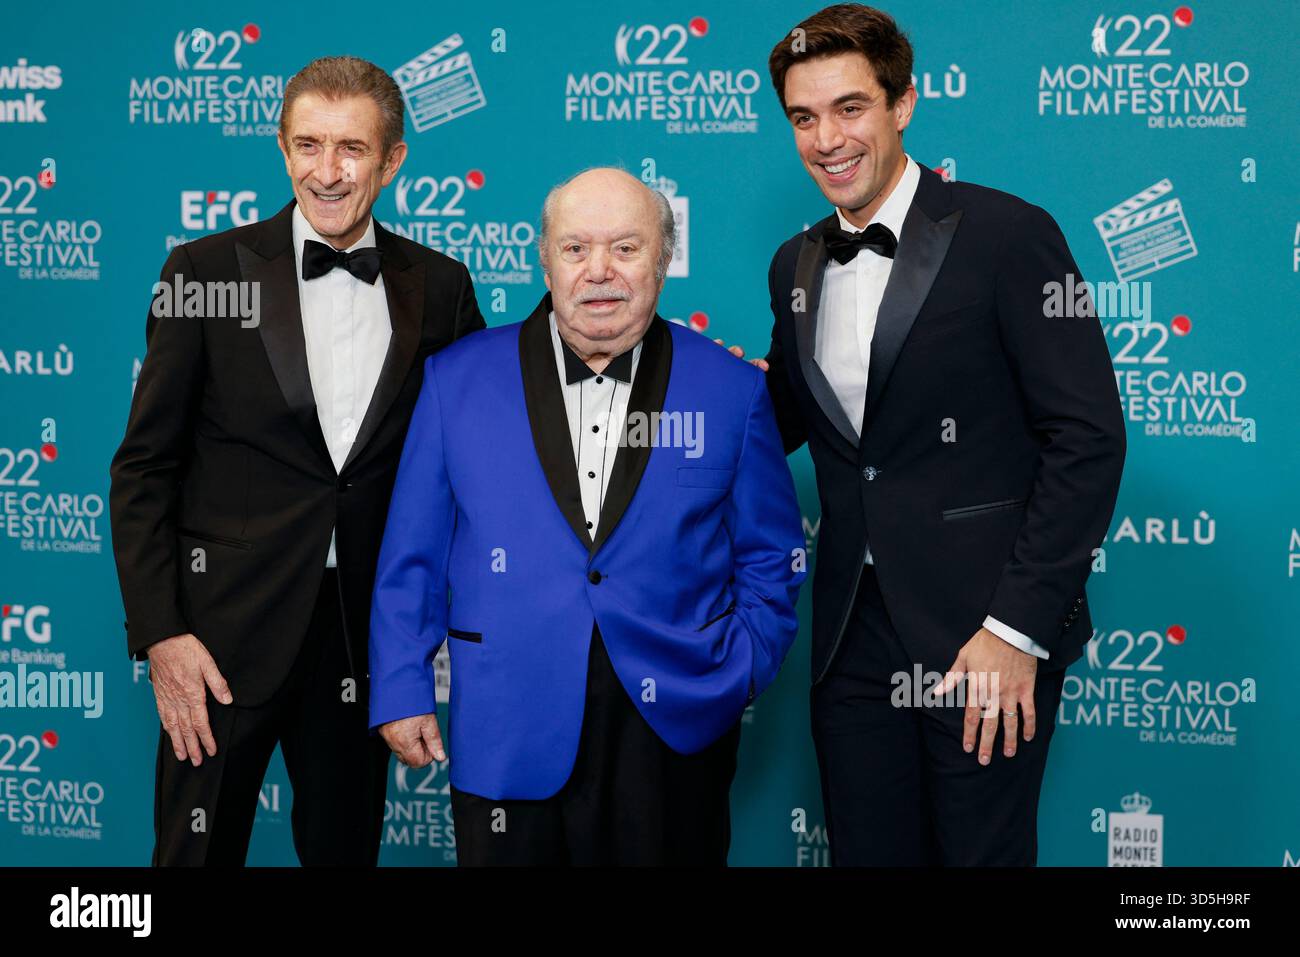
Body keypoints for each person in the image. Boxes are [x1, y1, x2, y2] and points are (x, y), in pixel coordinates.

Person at [758, 4, 1126, 864]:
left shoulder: (1007, 233)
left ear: (903, 105)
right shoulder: (796, 262)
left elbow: (1088, 437)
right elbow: (783, 421)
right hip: (853, 634)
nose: (826, 139)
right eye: (804, 118)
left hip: (980, 633)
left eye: (850, 108)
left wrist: (1015, 629)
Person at [368, 168, 806, 866]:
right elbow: (410, 558)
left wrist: (741, 666)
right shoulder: (456, 380)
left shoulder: (732, 388)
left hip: (674, 726)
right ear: (543, 256)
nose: (599, 271)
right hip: (508, 720)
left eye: (626, 248)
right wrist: (401, 686)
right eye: (576, 249)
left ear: (662, 258)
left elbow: (772, 554)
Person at [109, 55, 485, 865]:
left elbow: (486, 434)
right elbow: (143, 468)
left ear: (392, 160)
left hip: (361, 637)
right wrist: (162, 633)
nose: (327, 170)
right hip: (219, 640)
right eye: (307, 145)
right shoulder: (204, 273)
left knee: (344, 853)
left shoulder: (443, 285)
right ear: (282, 149)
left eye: (351, 148)